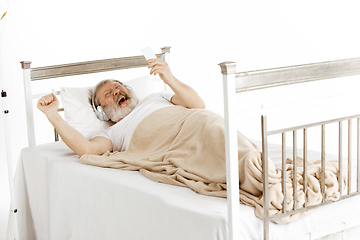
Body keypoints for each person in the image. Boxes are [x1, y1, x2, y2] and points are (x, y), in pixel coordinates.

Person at [37, 58, 205, 157]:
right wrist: (53, 114)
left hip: (198, 126)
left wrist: (169, 78)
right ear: (101, 111)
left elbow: (198, 106)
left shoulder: (155, 97)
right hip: (175, 147)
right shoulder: (111, 134)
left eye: (118, 86)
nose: (117, 91)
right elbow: (87, 149)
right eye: (108, 93)